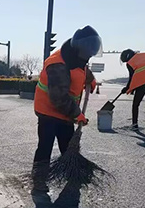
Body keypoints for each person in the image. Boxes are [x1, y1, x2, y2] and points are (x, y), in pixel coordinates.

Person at [31, 25, 101, 196]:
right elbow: (59, 98)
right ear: (79, 49)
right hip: (48, 110)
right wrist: (77, 114)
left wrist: (90, 79)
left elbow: (82, 69)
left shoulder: (77, 57)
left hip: (66, 112)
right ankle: (39, 179)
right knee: (45, 145)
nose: (88, 57)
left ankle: (72, 172)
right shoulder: (57, 65)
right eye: (87, 54)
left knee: (69, 144)